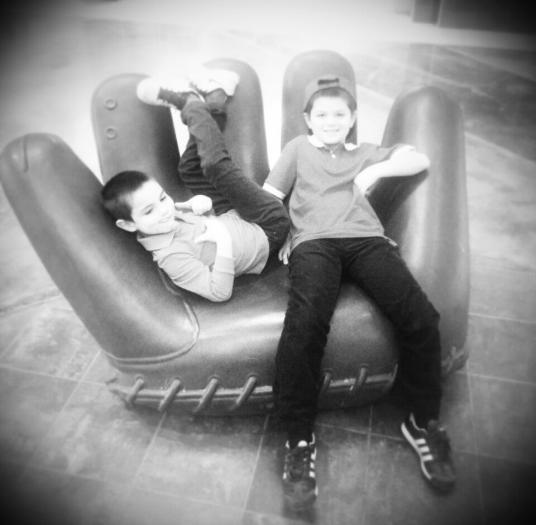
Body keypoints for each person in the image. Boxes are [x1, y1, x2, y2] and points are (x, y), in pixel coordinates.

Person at [262, 76, 455, 511]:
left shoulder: (366, 152)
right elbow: (269, 196)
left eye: (340, 114)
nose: (331, 121)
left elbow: (419, 159)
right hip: (313, 243)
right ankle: (298, 439)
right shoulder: (298, 148)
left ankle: (422, 423)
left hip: (366, 241)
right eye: (322, 115)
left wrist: (377, 169)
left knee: (422, 317)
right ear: (308, 119)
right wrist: (277, 235)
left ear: (351, 119)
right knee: (305, 326)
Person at [101, 68, 289, 302]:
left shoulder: (167, 216)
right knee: (215, 167)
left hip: (231, 216)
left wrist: (199, 205)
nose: (165, 210)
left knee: (189, 170)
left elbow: (198, 221)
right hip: (268, 227)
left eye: (162, 198)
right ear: (128, 224)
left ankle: (216, 100)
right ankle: (188, 102)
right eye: (149, 211)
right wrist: (223, 241)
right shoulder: (171, 256)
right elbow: (219, 292)